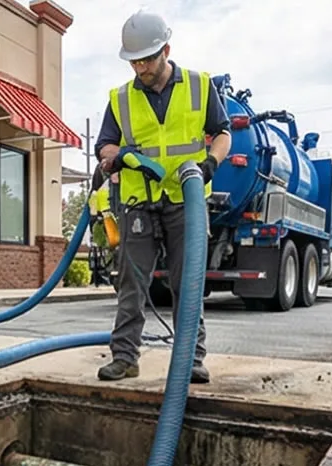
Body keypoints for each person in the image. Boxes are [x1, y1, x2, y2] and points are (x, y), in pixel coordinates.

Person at [94, 9, 231, 384]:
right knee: (131, 283)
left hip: (186, 203)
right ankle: (125, 358)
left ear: (166, 50)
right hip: (139, 203)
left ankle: (191, 359)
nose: (140, 68)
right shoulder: (120, 98)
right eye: (134, 61)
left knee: (187, 283)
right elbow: (104, 146)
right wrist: (115, 156)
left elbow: (222, 133)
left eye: (147, 59)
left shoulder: (200, 86)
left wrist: (209, 165)